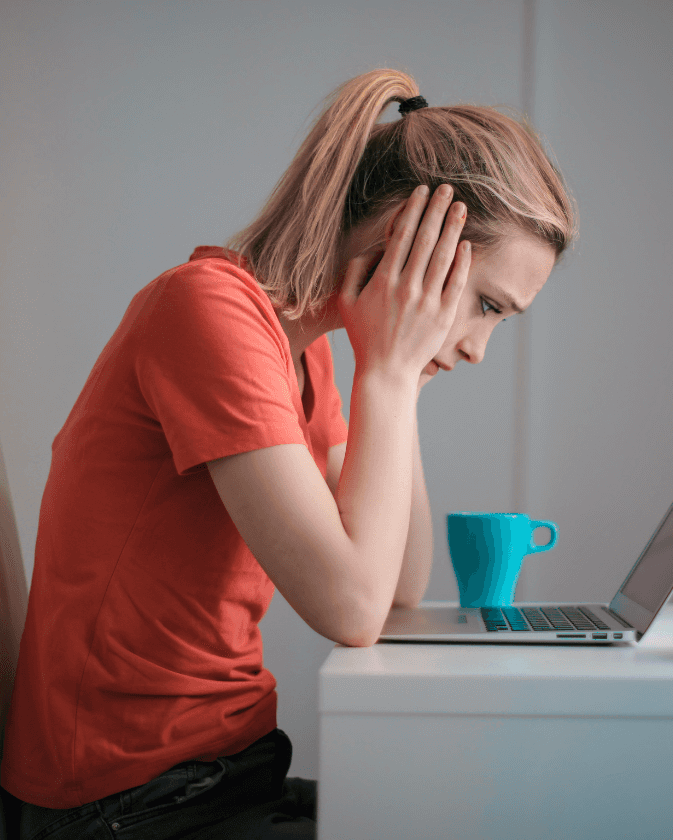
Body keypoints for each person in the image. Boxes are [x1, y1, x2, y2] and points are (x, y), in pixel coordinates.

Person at [0, 69, 574, 838]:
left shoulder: (307, 356)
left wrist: (399, 371)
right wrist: (394, 374)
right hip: (124, 803)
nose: (480, 347)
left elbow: (399, 582)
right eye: (489, 305)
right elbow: (353, 610)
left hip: (227, 769)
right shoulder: (208, 312)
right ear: (410, 241)